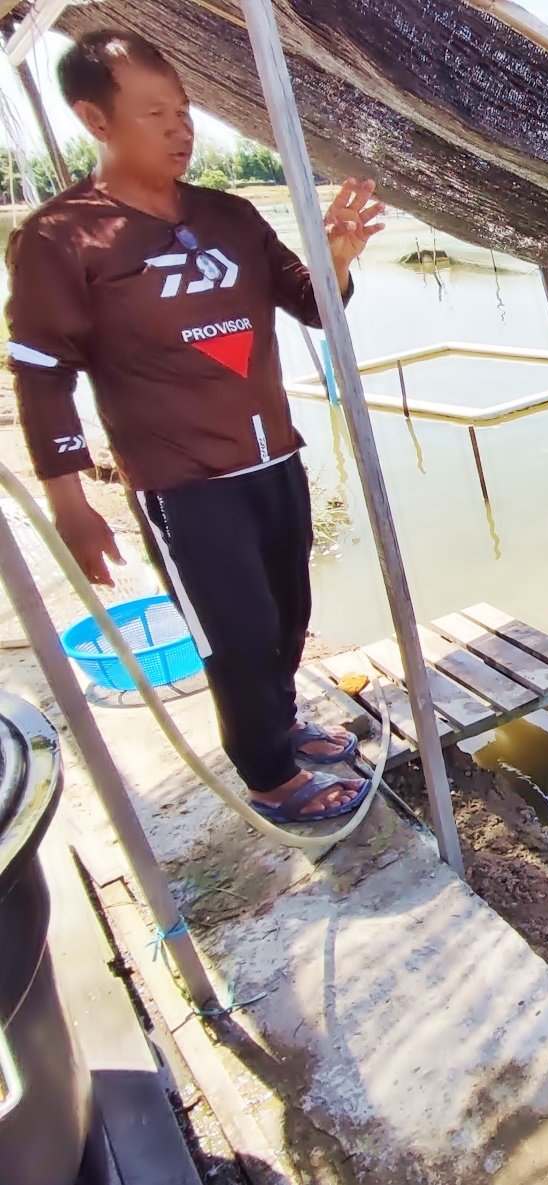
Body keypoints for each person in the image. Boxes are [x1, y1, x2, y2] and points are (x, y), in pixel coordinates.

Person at [5, 31, 385, 823]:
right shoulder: (60, 236)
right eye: (155, 114)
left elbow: (313, 304)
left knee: (287, 611)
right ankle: (270, 777)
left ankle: (280, 727)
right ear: (95, 119)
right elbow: (42, 373)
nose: (181, 130)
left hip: (272, 457)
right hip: (182, 482)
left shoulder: (231, 215)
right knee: (235, 632)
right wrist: (69, 499)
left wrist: (338, 257)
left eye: (184, 112)